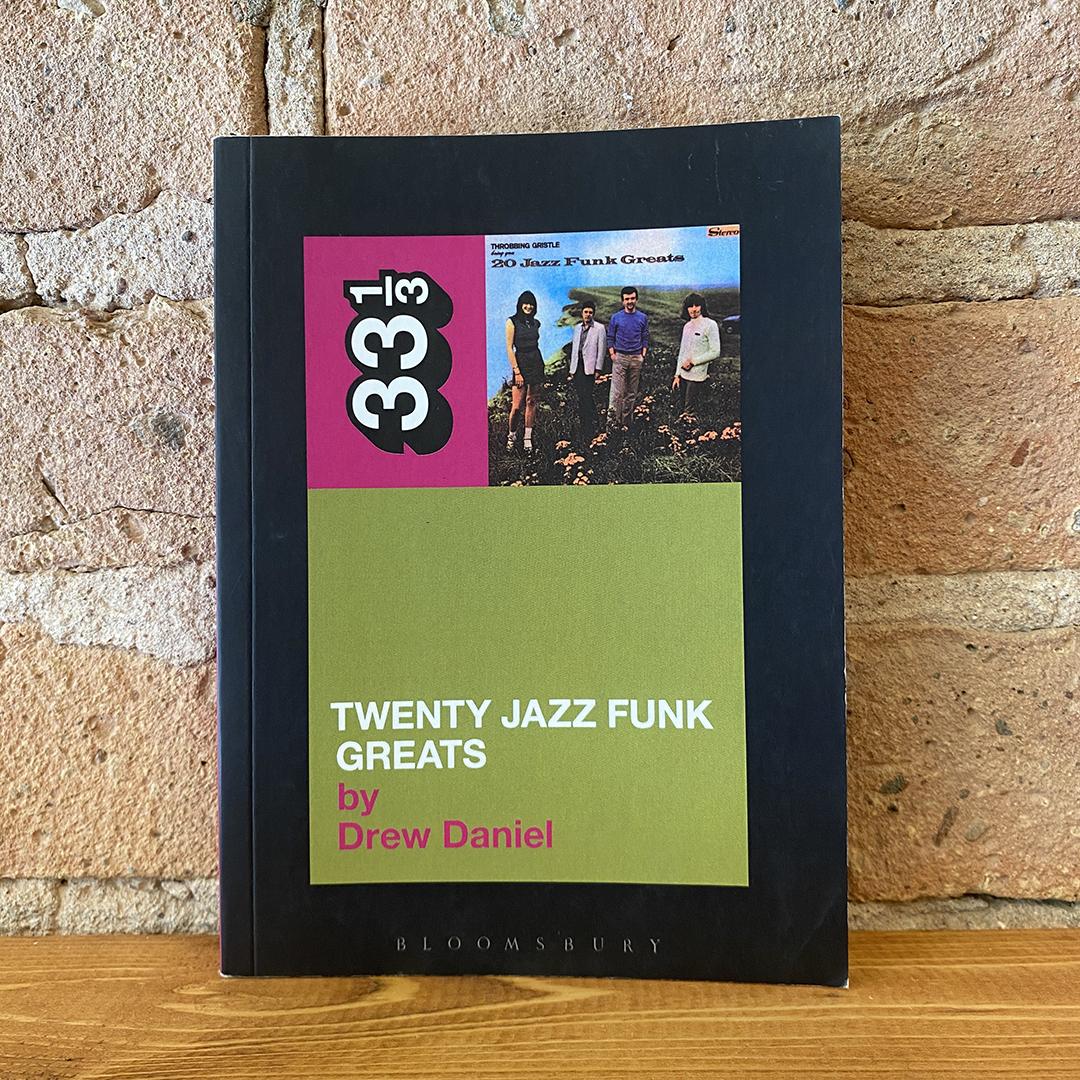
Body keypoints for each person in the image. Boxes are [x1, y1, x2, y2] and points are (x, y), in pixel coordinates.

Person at [606, 286, 649, 431]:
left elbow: (645, 336)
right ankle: (612, 426)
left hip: (636, 358)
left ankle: (626, 426)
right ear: (622, 301)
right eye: (627, 299)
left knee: (631, 394)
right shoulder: (616, 317)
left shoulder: (642, 317)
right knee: (616, 394)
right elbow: (610, 337)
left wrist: (642, 355)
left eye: (632, 298)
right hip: (620, 358)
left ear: (636, 299)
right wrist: (613, 354)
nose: (630, 301)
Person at [505, 290, 543, 451]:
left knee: (531, 402)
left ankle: (527, 439)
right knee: (516, 406)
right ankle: (511, 436)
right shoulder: (511, 322)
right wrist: (517, 371)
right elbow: (509, 348)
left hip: (536, 362)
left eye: (531, 304)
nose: (528, 306)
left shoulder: (536, 323)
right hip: (521, 362)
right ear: (520, 305)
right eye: (526, 303)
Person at [671, 292, 721, 415]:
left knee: (689, 412)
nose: (693, 309)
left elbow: (715, 351)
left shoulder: (710, 325)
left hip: (697, 377)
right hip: (683, 375)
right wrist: (677, 375)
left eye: (697, 305)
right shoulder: (687, 326)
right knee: (681, 410)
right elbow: (682, 352)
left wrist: (693, 362)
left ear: (702, 307)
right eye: (690, 306)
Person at [567, 299, 605, 440]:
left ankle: (592, 424)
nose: (588, 314)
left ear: (593, 314)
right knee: (581, 397)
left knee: (587, 396)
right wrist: (572, 369)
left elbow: (601, 350)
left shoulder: (599, 328)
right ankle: (585, 425)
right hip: (578, 367)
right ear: (582, 313)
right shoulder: (577, 328)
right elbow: (575, 349)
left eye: (590, 312)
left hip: (589, 368)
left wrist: (598, 369)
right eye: (585, 312)